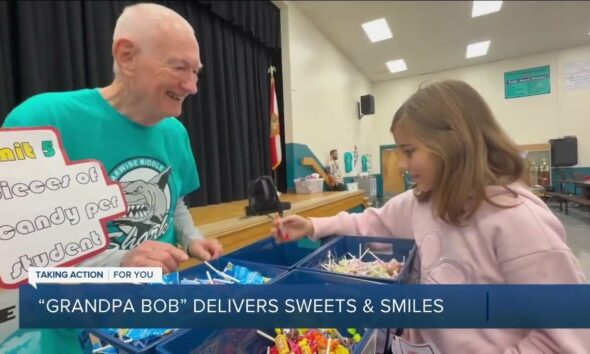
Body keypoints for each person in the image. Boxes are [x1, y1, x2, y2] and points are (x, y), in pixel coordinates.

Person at [272, 80, 589, 352]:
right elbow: (370, 222)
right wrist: (314, 225)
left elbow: (566, 338)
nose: (400, 165)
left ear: (453, 144)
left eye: (409, 152)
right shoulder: (420, 202)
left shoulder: (518, 219)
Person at [3, 3, 223, 271]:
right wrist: (119, 262)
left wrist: (191, 239)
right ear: (126, 56)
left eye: (195, 71)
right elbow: (18, 246)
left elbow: (173, 203)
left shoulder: (175, 133)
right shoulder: (39, 121)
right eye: (179, 67)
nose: (192, 86)